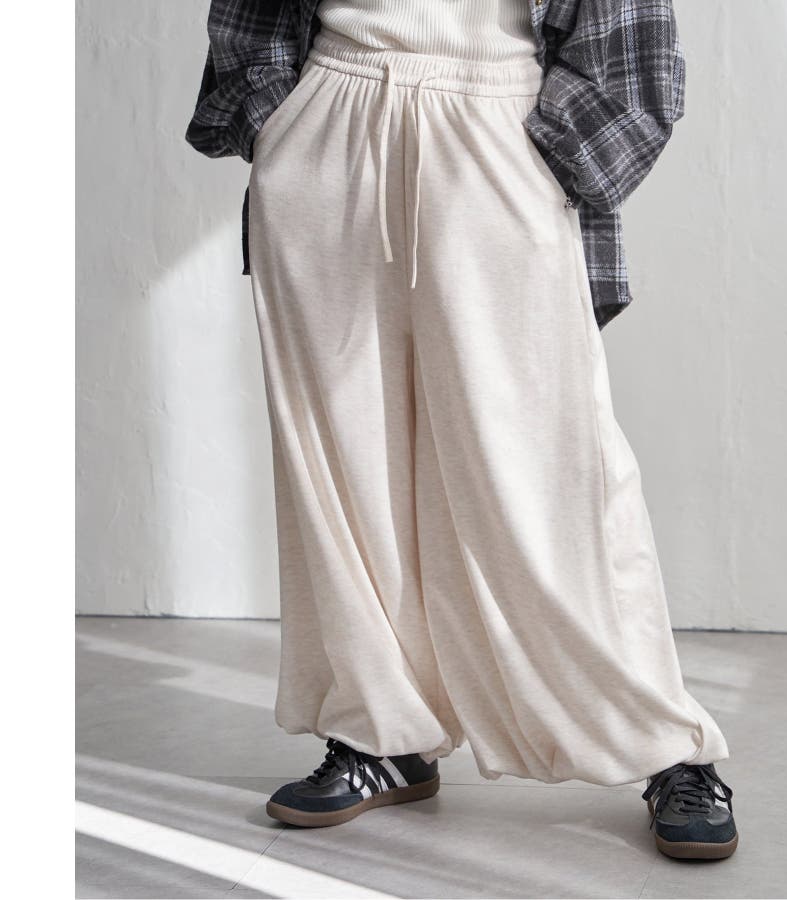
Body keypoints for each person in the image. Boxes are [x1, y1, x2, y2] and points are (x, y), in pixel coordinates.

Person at [186, 0, 739, 861]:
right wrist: (280, 120)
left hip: (497, 121)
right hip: (329, 112)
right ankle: (381, 728)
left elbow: (630, 40)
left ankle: (667, 742)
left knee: (551, 469)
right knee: (343, 459)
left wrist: (545, 154)